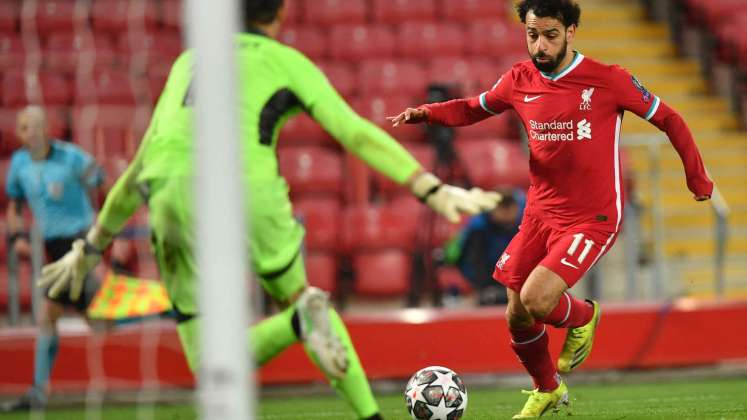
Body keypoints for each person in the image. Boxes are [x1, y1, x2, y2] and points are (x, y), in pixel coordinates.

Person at [34, 1, 501, 419]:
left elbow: (138, 167)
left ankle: (304, 326)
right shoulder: (286, 61)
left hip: (169, 191)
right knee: (297, 299)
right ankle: (331, 361)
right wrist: (429, 186)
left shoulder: (187, 62)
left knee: (207, 356)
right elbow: (352, 131)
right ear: (278, 15)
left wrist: (90, 247)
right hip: (251, 187)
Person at [388, 0, 713, 417]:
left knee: (538, 299)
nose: (540, 45)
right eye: (532, 35)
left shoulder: (608, 79)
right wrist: (427, 113)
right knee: (517, 312)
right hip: (539, 213)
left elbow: (670, 118)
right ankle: (548, 389)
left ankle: (583, 316)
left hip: (592, 218)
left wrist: (696, 177)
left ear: (571, 31)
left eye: (550, 35)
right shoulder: (519, 79)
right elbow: (473, 108)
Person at [2, 106, 105, 411]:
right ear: (19, 133)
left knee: (49, 316)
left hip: (79, 245)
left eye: (35, 126)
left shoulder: (73, 157)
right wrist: (18, 236)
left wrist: (107, 231)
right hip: (52, 248)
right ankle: (163, 310)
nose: (30, 132)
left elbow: (103, 183)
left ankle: (38, 393)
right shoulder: (19, 164)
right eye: (24, 127)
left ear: (47, 129)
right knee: (98, 321)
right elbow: (15, 206)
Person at [444, 188, 525, 305]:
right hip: (484, 283)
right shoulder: (478, 229)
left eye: (510, 209)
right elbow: (474, 262)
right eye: (502, 209)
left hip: (514, 283)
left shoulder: (524, 225)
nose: (506, 214)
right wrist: (483, 288)